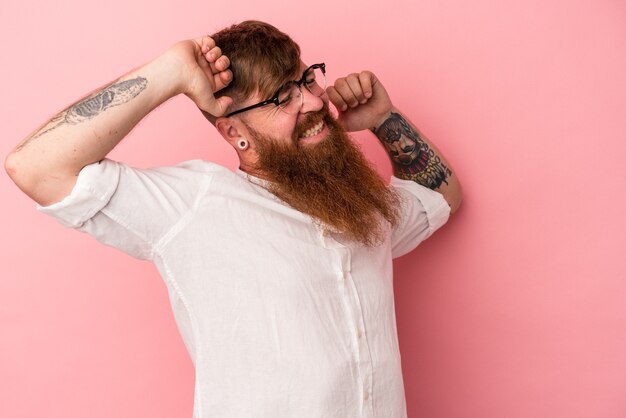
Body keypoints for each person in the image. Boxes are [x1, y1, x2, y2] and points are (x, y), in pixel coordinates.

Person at [5, 20, 461, 418]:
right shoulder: (197, 206)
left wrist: (383, 117)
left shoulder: (360, 206)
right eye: (283, 96)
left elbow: (440, 194)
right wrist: (171, 72)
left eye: (307, 80)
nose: (314, 103)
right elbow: (35, 167)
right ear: (233, 132)